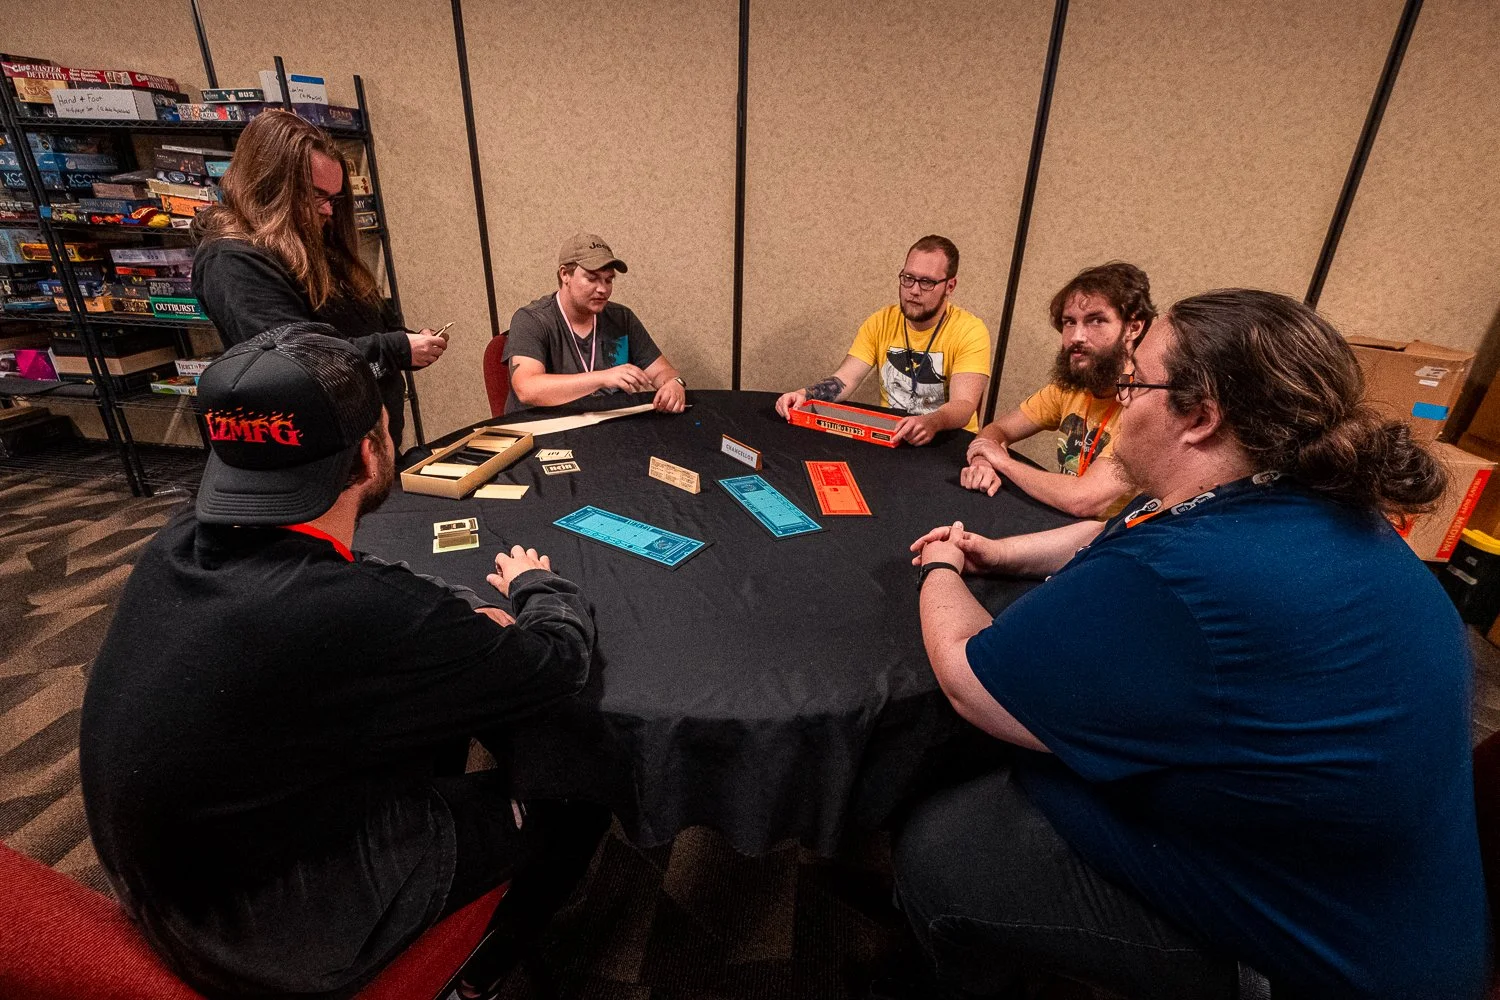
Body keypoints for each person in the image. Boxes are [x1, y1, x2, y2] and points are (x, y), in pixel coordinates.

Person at [898, 289, 1487, 999]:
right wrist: (1003, 553)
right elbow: (1124, 526)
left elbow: (972, 678)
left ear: (1201, 418)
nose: (1119, 398)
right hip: (1395, 908)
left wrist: (940, 565)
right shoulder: (1292, 495)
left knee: (943, 849)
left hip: (1325, 964)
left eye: (1134, 381)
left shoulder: (1192, 574)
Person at [79, 326, 605, 1000]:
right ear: (369, 451)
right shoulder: (358, 613)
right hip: (274, 943)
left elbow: (355, 587)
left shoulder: (178, 541)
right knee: (579, 792)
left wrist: (447, 619)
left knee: (430, 722)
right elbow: (558, 663)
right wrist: (538, 587)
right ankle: (477, 978)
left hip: (171, 891)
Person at [192, 109, 448, 450]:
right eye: (316, 196)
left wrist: (410, 342)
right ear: (269, 186)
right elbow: (299, 361)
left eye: (333, 198)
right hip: (321, 451)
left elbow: (365, 325)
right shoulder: (232, 261)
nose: (328, 210)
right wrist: (396, 349)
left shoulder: (315, 239)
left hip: (371, 442)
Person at [961, 262, 1154, 517]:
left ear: (1133, 328)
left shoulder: (1147, 404)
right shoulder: (1070, 389)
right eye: (1069, 322)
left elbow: (1084, 500)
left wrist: (1002, 462)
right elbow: (997, 431)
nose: (1076, 337)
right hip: (1067, 527)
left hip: (1122, 536)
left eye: (1096, 321)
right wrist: (983, 462)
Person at [774, 236, 990, 445]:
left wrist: (932, 421)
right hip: (893, 437)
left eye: (927, 282)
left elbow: (964, 404)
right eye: (908, 278)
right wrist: (804, 395)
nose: (914, 290)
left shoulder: (970, 330)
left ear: (950, 286)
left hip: (947, 443)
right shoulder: (880, 322)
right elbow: (845, 379)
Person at [504, 233, 686, 414]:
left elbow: (661, 372)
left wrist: (674, 384)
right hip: (544, 425)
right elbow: (527, 389)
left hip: (605, 423)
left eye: (609, 280)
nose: (603, 289)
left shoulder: (622, 317)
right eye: (592, 279)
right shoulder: (531, 320)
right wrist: (602, 378)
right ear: (565, 274)